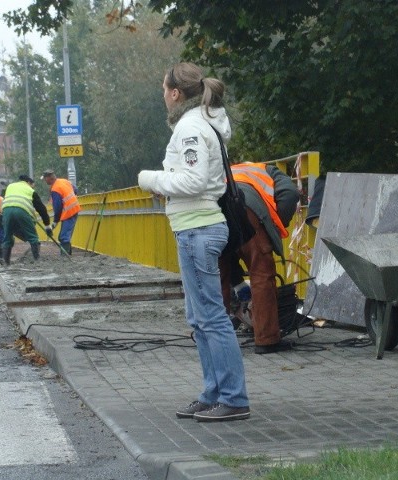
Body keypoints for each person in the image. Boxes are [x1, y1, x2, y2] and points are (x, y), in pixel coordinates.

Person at [137, 62, 250, 422]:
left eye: (163, 90)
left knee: (212, 318)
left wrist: (150, 179)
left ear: (175, 93)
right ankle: (212, 393)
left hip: (199, 229)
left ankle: (233, 398)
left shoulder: (189, 127)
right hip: (195, 226)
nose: (162, 97)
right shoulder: (202, 123)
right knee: (199, 317)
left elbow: (194, 181)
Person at [219, 162, 299, 354]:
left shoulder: (224, 170)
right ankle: (266, 340)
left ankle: (217, 341)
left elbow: (229, 255)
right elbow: (291, 194)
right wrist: (273, 227)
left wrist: (237, 283)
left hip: (217, 211)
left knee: (218, 274)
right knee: (261, 274)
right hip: (248, 209)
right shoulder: (268, 170)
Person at [0, 174, 51, 265]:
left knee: (7, 236)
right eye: (32, 185)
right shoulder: (30, 190)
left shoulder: (10, 186)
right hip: (21, 211)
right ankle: (37, 260)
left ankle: (6, 262)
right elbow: (41, 209)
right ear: (28, 182)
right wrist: (47, 225)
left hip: (6, 211)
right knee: (32, 237)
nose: (33, 187)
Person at [40, 169, 80, 255]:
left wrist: (55, 222)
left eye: (45, 178)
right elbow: (76, 190)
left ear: (49, 178)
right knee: (64, 236)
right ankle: (67, 255)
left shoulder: (55, 189)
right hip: (75, 209)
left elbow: (57, 207)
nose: (44, 181)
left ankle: (65, 258)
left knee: (64, 237)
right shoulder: (64, 181)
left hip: (69, 213)